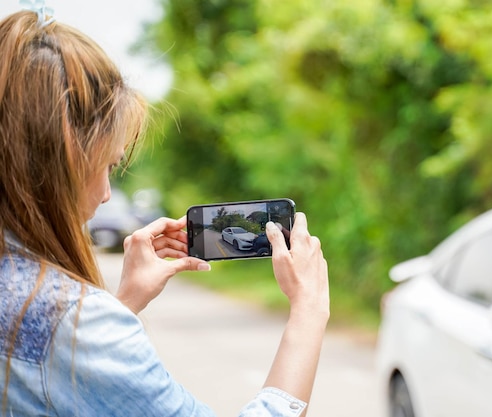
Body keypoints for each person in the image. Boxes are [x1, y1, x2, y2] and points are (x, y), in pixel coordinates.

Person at [0, 6, 329, 417]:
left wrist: (125, 303)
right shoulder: (68, 319)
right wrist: (309, 312)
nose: (105, 195)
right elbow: (64, 344)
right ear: (64, 155)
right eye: (108, 165)